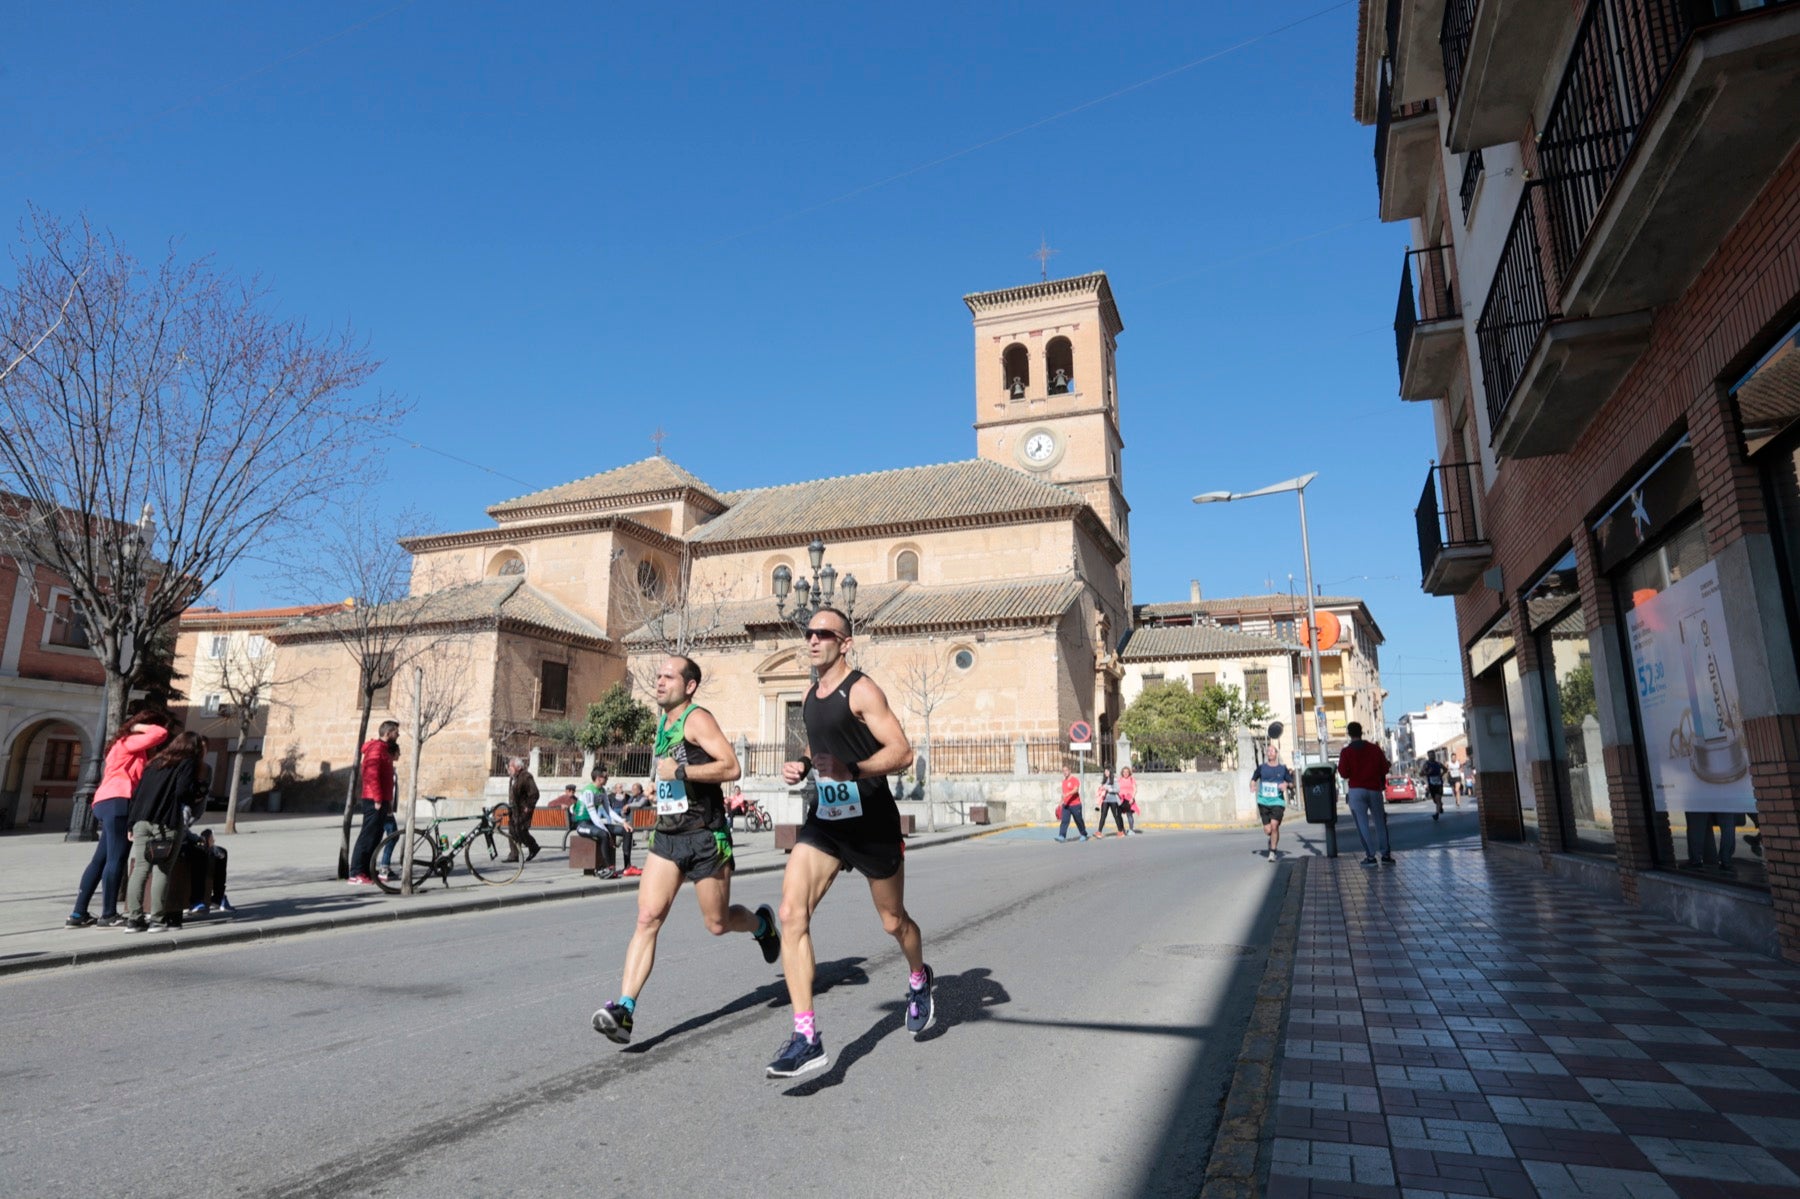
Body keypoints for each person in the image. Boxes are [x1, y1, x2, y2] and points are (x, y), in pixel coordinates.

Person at [771, 606, 933, 1079]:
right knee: (791, 913)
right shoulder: (810, 692)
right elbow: (817, 744)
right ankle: (806, 1037)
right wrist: (801, 765)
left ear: (846, 643)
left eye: (825, 633)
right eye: (809, 632)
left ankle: (920, 979)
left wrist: (854, 770)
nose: (813, 639)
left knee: (892, 921)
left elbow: (902, 751)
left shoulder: (860, 689)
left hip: (871, 821)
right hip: (826, 819)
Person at [592, 655, 780, 1046]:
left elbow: (731, 767)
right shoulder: (664, 720)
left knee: (717, 923)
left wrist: (679, 773)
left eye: (669, 677)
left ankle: (762, 925)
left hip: (704, 835)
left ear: (689, 686)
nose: (659, 682)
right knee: (647, 917)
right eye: (658, 676)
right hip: (667, 836)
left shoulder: (697, 719)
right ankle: (624, 1010)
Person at [68, 708, 170, 929]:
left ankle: (78, 914)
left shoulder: (120, 746)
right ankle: (108, 914)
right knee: (117, 859)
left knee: (100, 860)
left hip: (106, 801)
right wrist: (138, 727)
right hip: (118, 801)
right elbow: (159, 733)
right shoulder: (129, 741)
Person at [124, 731, 205, 933]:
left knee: (140, 869)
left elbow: (137, 794)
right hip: (166, 822)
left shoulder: (154, 763)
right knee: (162, 869)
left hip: (141, 820)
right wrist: (194, 794)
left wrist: (131, 823)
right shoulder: (187, 763)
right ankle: (157, 919)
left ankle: (134, 919)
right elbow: (181, 791)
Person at [348, 721, 399, 885]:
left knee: (375, 837)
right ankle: (356, 873)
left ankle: (367, 870)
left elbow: (386, 780)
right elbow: (371, 775)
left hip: (382, 800)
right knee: (367, 836)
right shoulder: (376, 749)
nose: (398, 735)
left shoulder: (384, 750)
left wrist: (388, 801)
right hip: (373, 800)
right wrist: (378, 799)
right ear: (388, 733)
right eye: (395, 732)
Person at [1337, 722, 1394, 865]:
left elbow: (1343, 773)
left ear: (1349, 734)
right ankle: (1386, 855)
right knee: (1380, 822)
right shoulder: (1375, 749)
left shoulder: (1346, 752)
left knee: (1362, 824)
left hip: (1356, 790)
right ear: (1362, 732)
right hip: (1374, 789)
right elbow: (1385, 768)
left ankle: (1370, 856)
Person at [570, 771, 621, 878]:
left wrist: (623, 822)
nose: (608, 778)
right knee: (603, 834)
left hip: (592, 824)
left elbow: (609, 811)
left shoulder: (602, 790)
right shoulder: (589, 791)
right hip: (582, 825)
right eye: (606, 777)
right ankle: (608, 867)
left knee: (618, 831)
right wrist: (608, 833)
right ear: (598, 778)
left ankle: (621, 866)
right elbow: (593, 815)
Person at [1248, 744, 1294, 862]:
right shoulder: (1262, 767)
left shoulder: (1282, 768)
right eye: (1268, 751)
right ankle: (1273, 837)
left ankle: (1272, 852)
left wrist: (1286, 785)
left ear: (1276, 753)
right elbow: (1254, 778)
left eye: (1271, 751)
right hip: (1263, 802)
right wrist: (1252, 785)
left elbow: (1292, 784)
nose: (1269, 753)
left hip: (1277, 802)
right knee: (1268, 830)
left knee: (1274, 826)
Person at [184, 828, 235, 914]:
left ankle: (218, 897)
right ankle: (197, 901)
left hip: (183, 840)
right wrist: (199, 839)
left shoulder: (191, 815)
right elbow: (181, 830)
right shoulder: (185, 814)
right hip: (176, 842)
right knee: (200, 854)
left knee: (221, 853)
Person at [504, 756, 541, 863]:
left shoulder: (526, 777)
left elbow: (535, 793)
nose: (509, 769)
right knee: (512, 830)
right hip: (514, 809)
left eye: (511, 766)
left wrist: (528, 807)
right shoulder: (513, 777)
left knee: (521, 830)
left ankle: (533, 846)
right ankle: (514, 855)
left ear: (518, 767)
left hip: (523, 809)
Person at [1055, 768, 1089, 842]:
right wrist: (1060, 803)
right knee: (1064, 820)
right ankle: (1062, 836)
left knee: (1078, 820)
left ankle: (1084, 834)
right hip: (1066, 805)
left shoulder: (1074, 780)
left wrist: (1068, 794)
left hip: (1075, 804)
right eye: (1063, 771)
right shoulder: (1064, 782)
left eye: (1066, 770)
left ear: (1070, 771)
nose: (1065, 772)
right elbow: (1063, 794)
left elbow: (1076, 790)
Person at [1094, 768, 1127, 837]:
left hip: (1113, 800)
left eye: (1107, 771)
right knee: (1103, 815)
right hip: (1105, 800)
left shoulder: (1114, 780)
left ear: (1110, 772)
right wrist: (1101, 788)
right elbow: (1102, 788)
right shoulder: (1104, 780)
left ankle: (1120, 831)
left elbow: (1117, 790)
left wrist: (1109, 789)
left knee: (1116, 816)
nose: (1105, 772)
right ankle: (1099, 832)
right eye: (1105, 771)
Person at [1421, 751, 1447, 820]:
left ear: (1435, 755)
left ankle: (1436, 814)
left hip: (1439, 784)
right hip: (1431, 784)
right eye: (1430, 755)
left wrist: (1441, 774)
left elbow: (1445, 769)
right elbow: (1421, 774)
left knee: (1438, 799)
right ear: (1428, 756)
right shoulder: (1426, 764)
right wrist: (1427, 772)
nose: (1432, 757)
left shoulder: (1438, 763)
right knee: (1435, 801)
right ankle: (1440, 806)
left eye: (1433, 755)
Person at [1119, 766, 1141, 834]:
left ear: (1129, 773)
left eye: (1127, 772)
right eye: (1124, 772)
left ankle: (1131, 829)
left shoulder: (1131, 779)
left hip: (1129, 799)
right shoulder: (1119, 780)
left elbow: (1135, 789)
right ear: (1122, 773)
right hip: (1121, 799)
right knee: (1118, 815)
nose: (1125, 773)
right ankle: (1122, 829)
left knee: (1129, 815)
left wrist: (1132, 798)